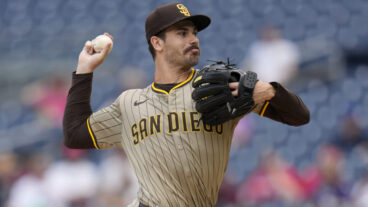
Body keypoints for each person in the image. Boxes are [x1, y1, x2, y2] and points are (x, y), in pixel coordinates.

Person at [63, 3, 310, 207]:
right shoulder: (128, 103)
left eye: (194, 33)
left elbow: (300, 116)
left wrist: (268, 89)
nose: (193, 39)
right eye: (182, 33)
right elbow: (74, 135)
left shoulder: (222, 84)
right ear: (157, 43)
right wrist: (84, 70)